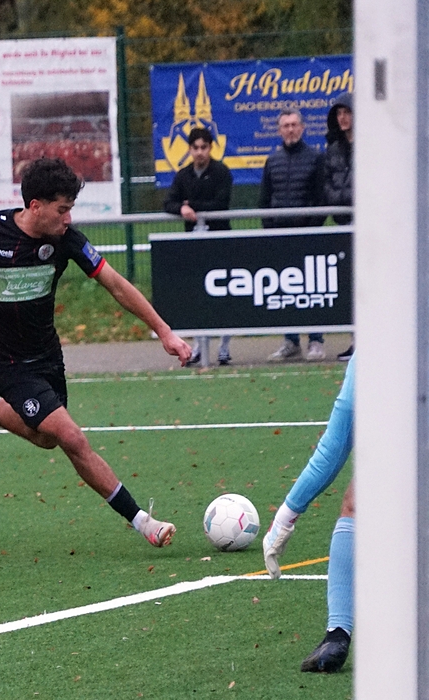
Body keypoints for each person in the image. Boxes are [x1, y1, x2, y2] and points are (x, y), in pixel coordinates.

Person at [0, 158, 191, 548]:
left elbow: (115, 283)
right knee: (71, 437)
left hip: (48, 359)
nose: (68, 218)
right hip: (8, 365)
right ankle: (142, 521)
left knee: (46, 438)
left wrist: (164, 332)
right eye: (62, 210)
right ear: (35, 206)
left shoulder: (67, 240)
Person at [263, 355, 355, 673]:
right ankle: (337, 635)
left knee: (356, 507)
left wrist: (285, 516)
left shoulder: (383, 344)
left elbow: (337, 441)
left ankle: (337, 634)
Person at [259, 108, 327, 362]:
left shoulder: (315, 158)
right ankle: (291, 341)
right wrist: (270, 229)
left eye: (294, 124)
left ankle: (316, 340)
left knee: (312, 287)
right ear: (279, 130)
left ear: (302, 127)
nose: (290, 129)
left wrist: (311, 226)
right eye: (286, 125)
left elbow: (321, 199)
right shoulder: (272, 161)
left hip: (308, 236)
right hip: (281, 236)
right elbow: (265, 200)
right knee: (286, 289)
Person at [163, 126, 234, 365]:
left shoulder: (221, 172)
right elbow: (169, 202)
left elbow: (221, 203)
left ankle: (224, 346)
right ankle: (199, 346)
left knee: (223, 294)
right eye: (195, 147)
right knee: (197, 294)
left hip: (219, 243)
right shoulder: (183, 175)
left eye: (204, 147)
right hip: (194, 246)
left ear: (211, 148)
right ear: (190, 149)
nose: (200, 152)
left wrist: (191, 204)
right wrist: (181, 208)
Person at [322, 93, 355, 362]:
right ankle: (357, 341)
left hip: (367, 224)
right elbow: (327, 184)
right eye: (339, 113)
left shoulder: (372, 144)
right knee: (349, 284)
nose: (343, 118)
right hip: (343, 223)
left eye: (347, 112)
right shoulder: (333, 149)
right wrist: (339, 201)